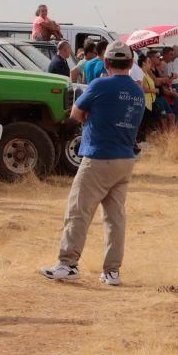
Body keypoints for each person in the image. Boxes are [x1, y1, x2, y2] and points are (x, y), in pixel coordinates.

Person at [40, 41, 144, 286]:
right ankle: (112, 271)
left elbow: (76, 113)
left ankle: (67, 264)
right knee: (115, 218)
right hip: (125, 159)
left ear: (105, 63)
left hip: (99, 157)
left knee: (78, 211)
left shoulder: (100, 84)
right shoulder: (137, 91)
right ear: (130, 64)